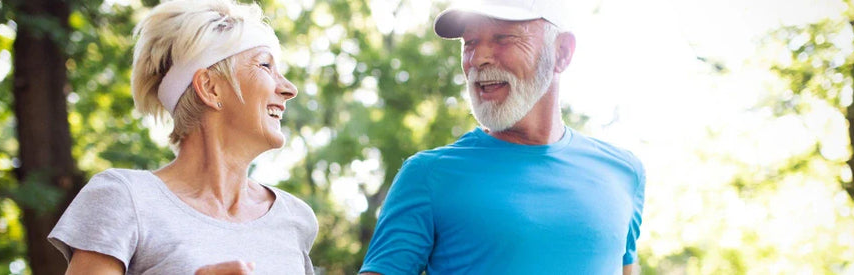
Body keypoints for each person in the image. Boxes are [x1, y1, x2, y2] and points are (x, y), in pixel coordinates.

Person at [359, 0, 645, 274]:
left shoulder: (625, 172)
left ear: (561, 53)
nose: (478, 59)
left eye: (503, 38)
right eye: (470, 42)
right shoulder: (427, 175)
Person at [47, 0, 317, 274]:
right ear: (210, 87)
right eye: (265, 65)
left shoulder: (295, 218)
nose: (289, 89)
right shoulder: (124, 198)